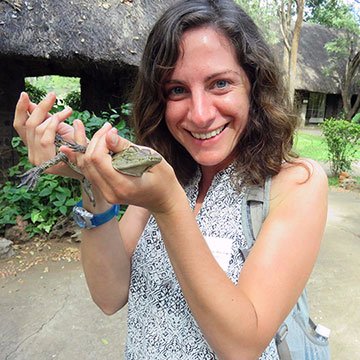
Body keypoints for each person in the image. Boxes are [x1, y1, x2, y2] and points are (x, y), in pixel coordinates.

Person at [13, 0, 328, 358]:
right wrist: (91, 180)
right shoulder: (167, 169)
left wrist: (169, 206)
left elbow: (242, 345)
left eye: (220, 83)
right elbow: (109, 295)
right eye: (177, 90)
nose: (200, 114)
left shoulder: (296, 183)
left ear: (254, 87)